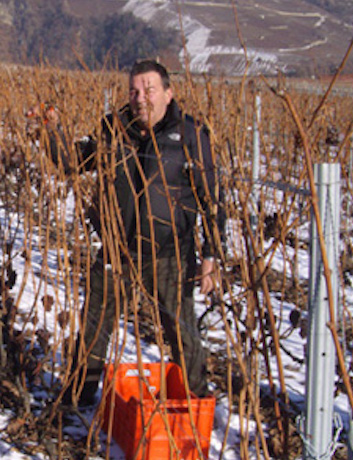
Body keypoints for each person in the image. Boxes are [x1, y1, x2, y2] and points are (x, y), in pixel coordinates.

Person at [40, 60, 224, 405]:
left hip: (169, 252)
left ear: (168, 94)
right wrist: (51, 130)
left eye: (149, 90)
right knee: (94, 327)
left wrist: (210, 256)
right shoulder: (114, 129)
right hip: (117, 247)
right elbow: (73, 162)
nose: (140, 98)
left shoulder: (190, 136)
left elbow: (212, 199)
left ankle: (197, 400)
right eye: (134, 91)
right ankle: (79, 399)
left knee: (182, 332)